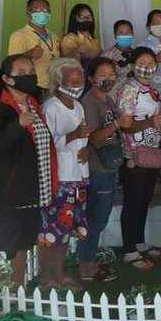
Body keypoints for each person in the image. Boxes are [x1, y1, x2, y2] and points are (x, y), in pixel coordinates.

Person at [0, 54, 57, 285]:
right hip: (10, 192)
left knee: (24, 243)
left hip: (32, 189)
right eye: (21, 73)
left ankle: (16, 292)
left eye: (31, 71)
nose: (29, 76)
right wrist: (17, 126)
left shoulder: (32, 103)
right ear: (7, 79)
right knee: (5, 245)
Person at [40, 58, 90, 288]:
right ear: (59, 81)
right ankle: (46, 276)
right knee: (52, 229)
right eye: (73, 79)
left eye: (80, 78)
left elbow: (83, 137)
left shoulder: (78, 106)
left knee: (66, 230)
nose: (78, 83)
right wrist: (74, 135)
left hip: (78, 175)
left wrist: (86, 148)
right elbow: (46, 143)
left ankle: (59, 274)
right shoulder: (50, 108)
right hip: (59, 177)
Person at [116, 47, 161, 271]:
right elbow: (125, 126)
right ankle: (129, 250)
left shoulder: (152, 90)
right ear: (132, 65)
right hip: (134, 156)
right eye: (142, 63)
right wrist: (149, 123)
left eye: (151, 63)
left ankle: (138, 242)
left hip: (151, 154)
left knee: (144, 199)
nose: (147, 67)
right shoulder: (129, 90)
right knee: (133, 202)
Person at [79, 57, 122, 282]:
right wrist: (117, 124)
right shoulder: (89, 103)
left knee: (100, 218)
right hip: (97, 168)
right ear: (91, 78)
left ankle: (89, 260)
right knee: (95, 219)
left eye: (112, 74)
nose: (109, 79)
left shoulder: (108, 99)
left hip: (109, 166)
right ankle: (86, 266)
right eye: (103, 75)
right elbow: (94, 138)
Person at [7, 0, 60, 90]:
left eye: (45, 10)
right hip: (34, 86)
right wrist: (29, 54)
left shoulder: (54, 36)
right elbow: (11, 63)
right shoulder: (19, 35)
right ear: (28, 13)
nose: (42, 13)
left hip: (53, 86)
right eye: (37, 10)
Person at [60, 3, 102, 70]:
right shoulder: (70, 39)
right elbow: (70, 63)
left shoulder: (95, 41)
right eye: (82, 17)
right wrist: (77, 51)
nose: (87, 19)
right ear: (74, 19)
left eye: (89, 16)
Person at [101, 19, 136, 93]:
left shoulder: (137, 53)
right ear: (115, 35)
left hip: (134, 93)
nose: (125, 35)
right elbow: (101, 79)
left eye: (128, 32)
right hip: (114, 93)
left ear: (133, 34)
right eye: (121, 33)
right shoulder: (107, 55)